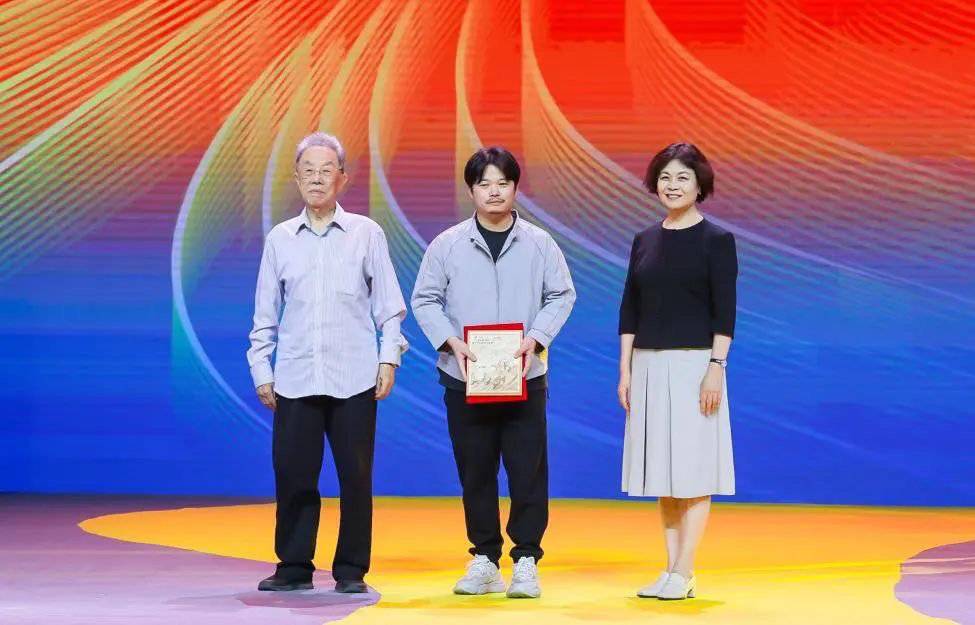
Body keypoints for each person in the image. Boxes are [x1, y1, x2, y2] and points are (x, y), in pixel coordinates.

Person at [247, 132, 408, 593]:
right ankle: (294, 566)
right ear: (297, 179)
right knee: (293, 475)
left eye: (326, 171)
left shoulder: (366, 234)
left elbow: (389, 307)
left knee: (355, 478)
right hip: (296, 377)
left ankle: (352, 570)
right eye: (308, 171)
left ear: (342, 178)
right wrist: (262, 369)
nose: (317, 179)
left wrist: (389, 359)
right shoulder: (280, 239)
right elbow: (265, 313)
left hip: (354, 376)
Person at [411, 147, 576, 599]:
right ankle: (484, 558)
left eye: (503, 182)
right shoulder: (447, 244)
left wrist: (536, 338)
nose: (494, 191)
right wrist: (451, 342)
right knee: (476, 472)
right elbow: (424, 299)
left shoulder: (540, 243)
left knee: (528, 472)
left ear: (516, 187)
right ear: (471, 190)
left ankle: (526, 559)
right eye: (484, 183)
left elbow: (562, 294)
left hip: (525, 375)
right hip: (464, 377)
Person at [618, 142, 737, 600]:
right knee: (664, 475)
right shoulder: (644, 240)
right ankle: (669, 570)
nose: (672, 185)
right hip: (648, 364)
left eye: (683, 177)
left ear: (699, 185)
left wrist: (716, 368)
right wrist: (626, 371)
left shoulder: (717, 241)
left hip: (695, 366)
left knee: (693, 471)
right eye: (665, 177)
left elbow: (724, 313)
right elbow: (630, 308)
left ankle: (685, 571)